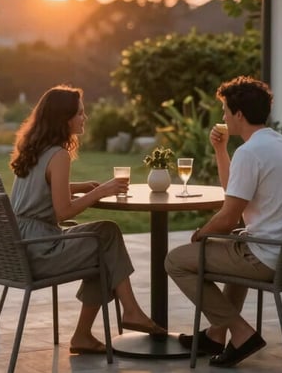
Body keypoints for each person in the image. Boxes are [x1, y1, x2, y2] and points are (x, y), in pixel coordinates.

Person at [9, 84, 166, 355]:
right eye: (80, 113)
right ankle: (128, 312)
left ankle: (88, 333)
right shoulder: (58, 155)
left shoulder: (34, 148)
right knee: (106, 235)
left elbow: (41, 188)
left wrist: (79, 186)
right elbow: (63, 212)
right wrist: (102, 192)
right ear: (64, 118)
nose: (85, 118)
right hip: (40, 249)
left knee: (103, 244)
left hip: (22, 242)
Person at [164, 76, 282, 368]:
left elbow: (228, 218)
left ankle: (242, 333)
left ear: (238, 114)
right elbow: (235, 188)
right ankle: (216, 335)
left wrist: (200, 234)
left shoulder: (250, 152)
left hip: (267, 256)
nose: (223, 117)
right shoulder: (281, 143)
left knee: (176, 261)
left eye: (225, 111)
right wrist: (221, 151)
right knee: (238, 242)